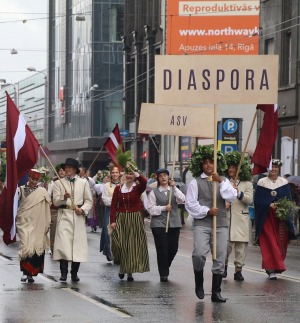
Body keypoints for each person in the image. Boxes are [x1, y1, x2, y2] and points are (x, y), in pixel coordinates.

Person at [185, 145, 237, 302]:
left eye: (211, 162)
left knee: (220, 257)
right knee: (199, 253)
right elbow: (190, 204)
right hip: (203, 224)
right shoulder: (195, 182)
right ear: (201, 165)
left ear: (216, 164)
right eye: (205, 162)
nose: (208, 165)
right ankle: (199, 282)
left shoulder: (224, 180)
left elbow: (232, 196)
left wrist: (220, 181)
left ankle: (216, 292)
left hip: (220, 224)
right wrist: (207, 210)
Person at [254, 159, 296, 280]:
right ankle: (271, 267)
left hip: (279, 219)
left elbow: (288, 201)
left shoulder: (283, 182)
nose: (273, 169)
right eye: (272, 167)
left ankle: (275, 265)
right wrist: (268, 205)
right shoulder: (262, 182)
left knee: (279, 243)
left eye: (276, 167)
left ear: (279, 169)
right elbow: (257, 201)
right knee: (269, 242)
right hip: (266, 217)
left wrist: (280, 206)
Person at [53, 158, 93, 282]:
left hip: (78, 217)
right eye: (66, 167)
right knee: (63, 246)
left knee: (77, 246)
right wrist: (63, 198)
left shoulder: (83, 183)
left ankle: (74, 273)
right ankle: (63, 273)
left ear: (75, 169)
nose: (67, 169)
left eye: (70, 167)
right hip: (64, 215)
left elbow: (88, 201)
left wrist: (83, 210)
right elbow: (55, 201)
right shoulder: (58, 183)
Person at [110, 162, 149, 281]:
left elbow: (144, 182)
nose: (129, 176)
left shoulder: (137, 188)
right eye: (127, 173)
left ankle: (128, 272)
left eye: (131, 174)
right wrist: (113, 221)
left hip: (134, 218)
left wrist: (135, 172)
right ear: (124, 175)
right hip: (121, 218)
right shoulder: (118, 188)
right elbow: (113, 206)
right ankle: (122, 265)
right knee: (119, 244)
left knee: (131, 246)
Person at [147, 168, 185, 282]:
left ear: (168, 177)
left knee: (173, 248)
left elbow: (182, 199)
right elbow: (151, 209)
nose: (163, 177)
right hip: (158, 224)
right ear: (158, 179)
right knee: (162, 249)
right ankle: (163, 273)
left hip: (174, 223)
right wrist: (164, 208)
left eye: (165, 175)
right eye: (161, 176)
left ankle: (165, 266)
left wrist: (174, 187)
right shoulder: (154, 192)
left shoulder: (174, 189)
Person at [16, 169, 51, 283]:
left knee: (35, 247)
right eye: (32, 179)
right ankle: (24, 273)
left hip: (37, 223)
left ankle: (30, 274)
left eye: (36, 180)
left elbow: (47, 207)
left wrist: (46, 223)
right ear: (28, 178)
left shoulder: (42, 191)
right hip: (24, 223)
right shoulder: (21, 189)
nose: (34, 181)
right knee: (26, 246)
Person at [223, 152, 253, 281]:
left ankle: (238, 270)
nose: (231, 169)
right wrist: (224, 204)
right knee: (225, 246)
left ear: (239, 169)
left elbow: (249, 200)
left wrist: (238, 192)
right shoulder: (224, 182)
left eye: (233, 167)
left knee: (241, 247)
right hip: (227, 218)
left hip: (241, 219)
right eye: (229, 167)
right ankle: (223, 266)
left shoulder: (247, 183)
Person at [100, 166, 120, 261]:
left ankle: (119, 253)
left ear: (119, 174)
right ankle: (109, 251)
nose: (115, 174)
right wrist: (116, 200)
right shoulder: (106, 186)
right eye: (113, 172)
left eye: (116, 172)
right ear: (110, 174)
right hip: (110, 210)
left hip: (121, 211)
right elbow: (105, 199)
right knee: (108, 231)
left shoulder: (123, 185)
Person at [47, 163, 65, 255]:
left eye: (63, 170)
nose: (62, 172)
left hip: (65, 209)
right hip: (54, 209)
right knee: (54, 229)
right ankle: (53, 246)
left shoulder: (69, 181)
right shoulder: (52, 182)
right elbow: (49, 194)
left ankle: (63, 247)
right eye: (60, 170)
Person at [79, 166, 97, 232]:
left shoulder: (89, 179)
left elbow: (94, 184)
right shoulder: (77, 179)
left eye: (80, 170)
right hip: (80, 198)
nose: (79, 171)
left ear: (84, 171)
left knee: (90, 213)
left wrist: (88, 179)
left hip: (88, 198)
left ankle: (92, 225)